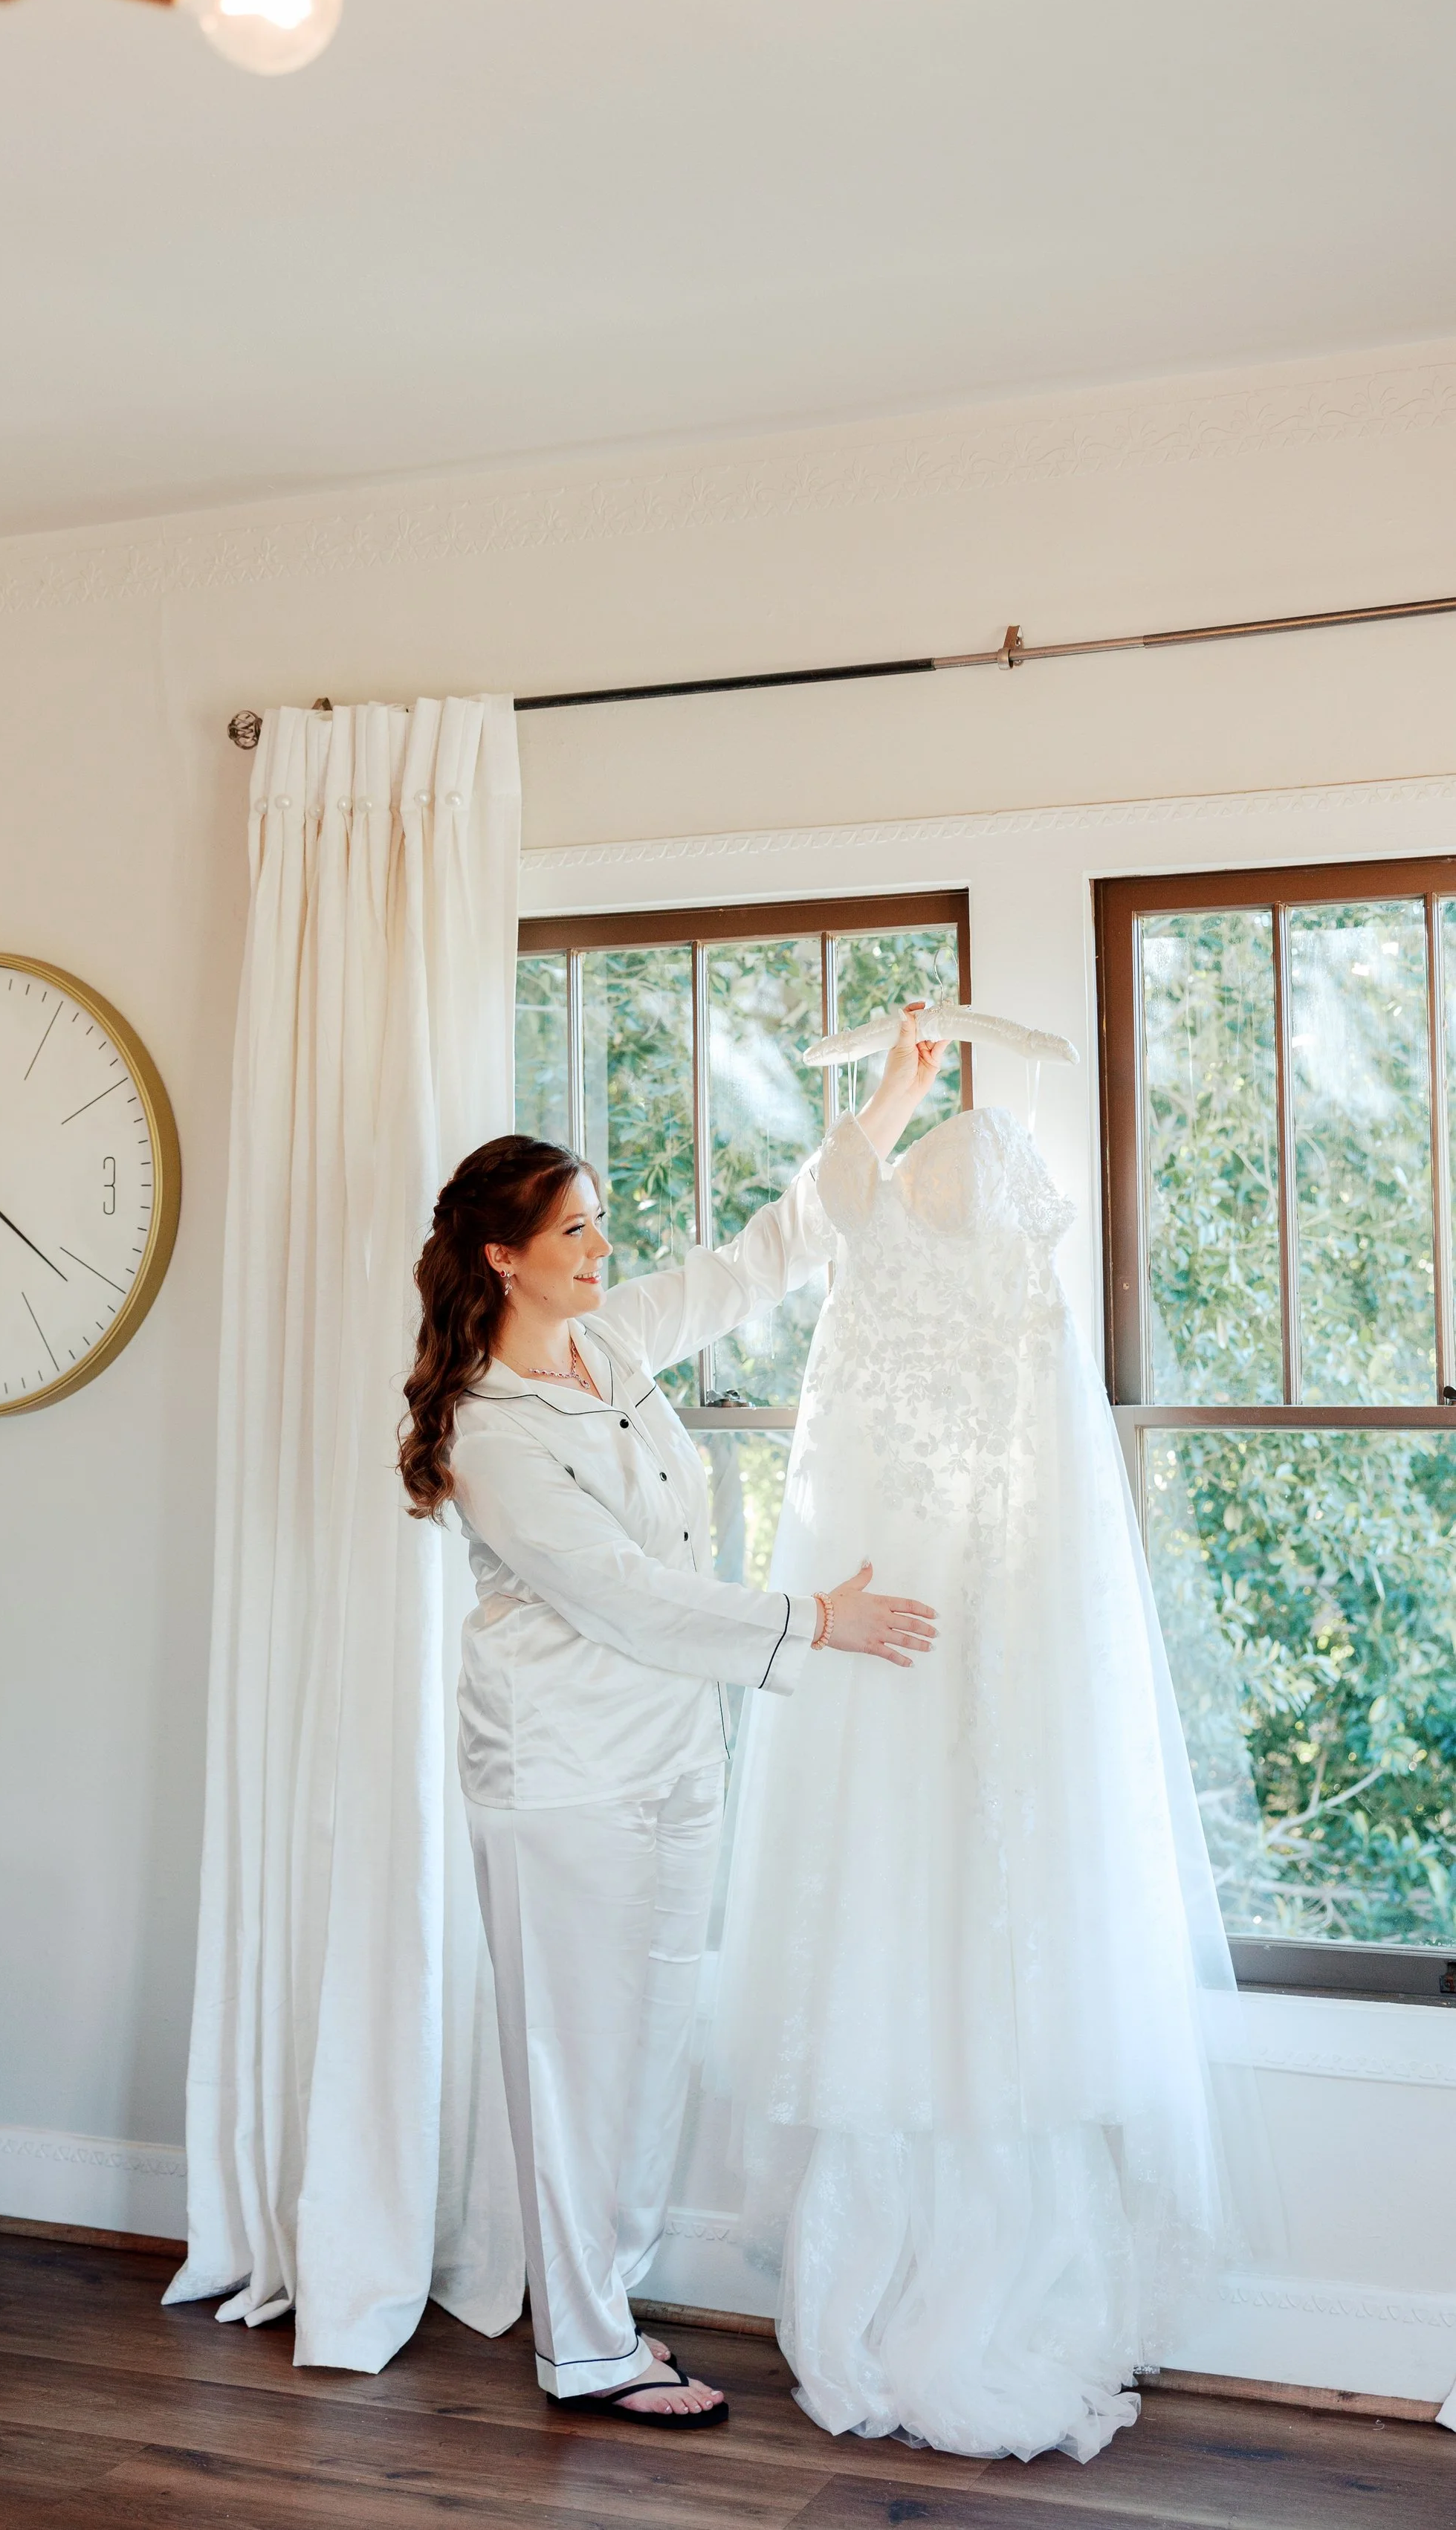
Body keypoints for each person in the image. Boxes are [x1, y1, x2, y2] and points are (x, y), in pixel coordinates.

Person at [398, 1013, 942, 2428]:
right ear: (503, 1254)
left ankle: (609, 2313)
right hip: (560, 1779)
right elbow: (624, 1596)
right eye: (574, 1230)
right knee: (575, 2071)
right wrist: (811, 1620)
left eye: (599, 1224)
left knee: (644, 2058)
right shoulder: (489, 1426)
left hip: (667, 1758)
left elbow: (765, 1255)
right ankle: (583, 2345)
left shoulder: (612, 1340)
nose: (599, 1248)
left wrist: (886, 1108)